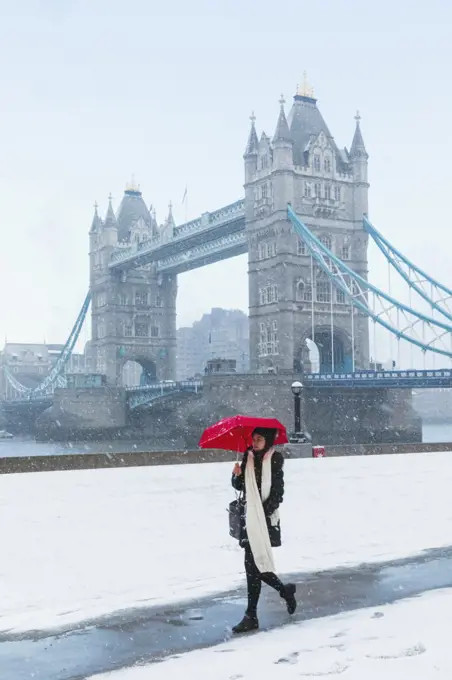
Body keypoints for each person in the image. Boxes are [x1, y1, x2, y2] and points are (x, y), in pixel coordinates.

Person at [231, 427, 296, 634]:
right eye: (254, 438)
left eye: (260, 439)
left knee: (255, 565)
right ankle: (283, 592)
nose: (255, 441)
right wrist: (236, 476)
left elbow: (278, 493)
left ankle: (252, 615)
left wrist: (262, 512)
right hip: (249, 519)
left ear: (267, 441)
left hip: (264, 520)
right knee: (254, 566)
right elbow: (241, 486)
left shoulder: (275, 459)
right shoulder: (247, 457)